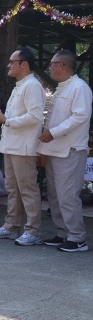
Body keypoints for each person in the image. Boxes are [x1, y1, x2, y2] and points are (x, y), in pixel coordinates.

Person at [0, 48, 46, 245]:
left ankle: (33, 230)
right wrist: (4, 118)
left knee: (27, 189)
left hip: (23, 147)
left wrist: (7, 120)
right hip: (11, 145)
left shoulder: (32, 85)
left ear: (24, 64)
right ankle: (11, 226)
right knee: (12, 189)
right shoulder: (20, 86)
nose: (8, 65)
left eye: (12, 61)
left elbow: (35, 116)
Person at [37, 50, 91, 253]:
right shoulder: (62, 88)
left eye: (52, 63)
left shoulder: (79, 87)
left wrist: (54, 132)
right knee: (54, 195)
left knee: (68, 196)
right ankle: (63, 232)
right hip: (54, 149)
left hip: (70, 149)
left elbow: (80, 116)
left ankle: (77, 237)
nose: (49, 67)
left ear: (60, 65)